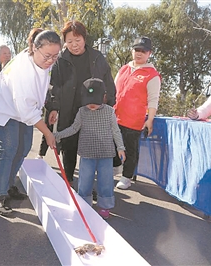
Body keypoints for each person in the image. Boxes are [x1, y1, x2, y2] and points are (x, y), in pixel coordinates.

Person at [0, 29, 61, 216]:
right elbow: (26, 111)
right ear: (35, 49)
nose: (51, 60)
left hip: (23, 109)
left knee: (24, 147)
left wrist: (51, 107)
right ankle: (1, 194)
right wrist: (47, 133)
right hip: (5, 109)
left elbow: (42, 89)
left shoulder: (43, 61)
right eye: (47, 56)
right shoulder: (22, 71)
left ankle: (10, 184)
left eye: (55, 56)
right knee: (9, 148)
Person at [47, 20, 116, 186]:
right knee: (68, 145)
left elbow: (108, 82)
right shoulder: (60, 59)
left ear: (85, 39)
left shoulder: (97, 58)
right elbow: (53, 86)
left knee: (92, 148)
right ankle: (68, 181)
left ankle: (88, 185)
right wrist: (53, 107)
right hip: (68, 108)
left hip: (93, 109)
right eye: (69, 41)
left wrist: (109, 104)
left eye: (77, 41)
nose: (74, 45)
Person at [54, 78, 125, 219]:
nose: (91, 105)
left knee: (106, 181)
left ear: (103, 97)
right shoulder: (82, 112)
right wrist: (57, 136)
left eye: (95, 102)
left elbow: (116, 131)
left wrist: (120, 147)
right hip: (87, 153)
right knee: (84, 180)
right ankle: (83, 204)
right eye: (89, 101)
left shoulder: (109, 112)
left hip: (106, 154)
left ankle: (105, 206)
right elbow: (74, 128)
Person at [113, 36, 161, 190]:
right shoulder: (124, 69)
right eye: (136, 50)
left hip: (133, 120)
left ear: (149, 53)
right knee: (113, 146)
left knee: (130, 149)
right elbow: (113, 89)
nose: (139, 53)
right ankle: (114, 169)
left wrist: (150, 119)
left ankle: (126, 177)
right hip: (115, 117)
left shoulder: (152, 75)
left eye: (143, 51)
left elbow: (153, 99)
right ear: (132, 50)